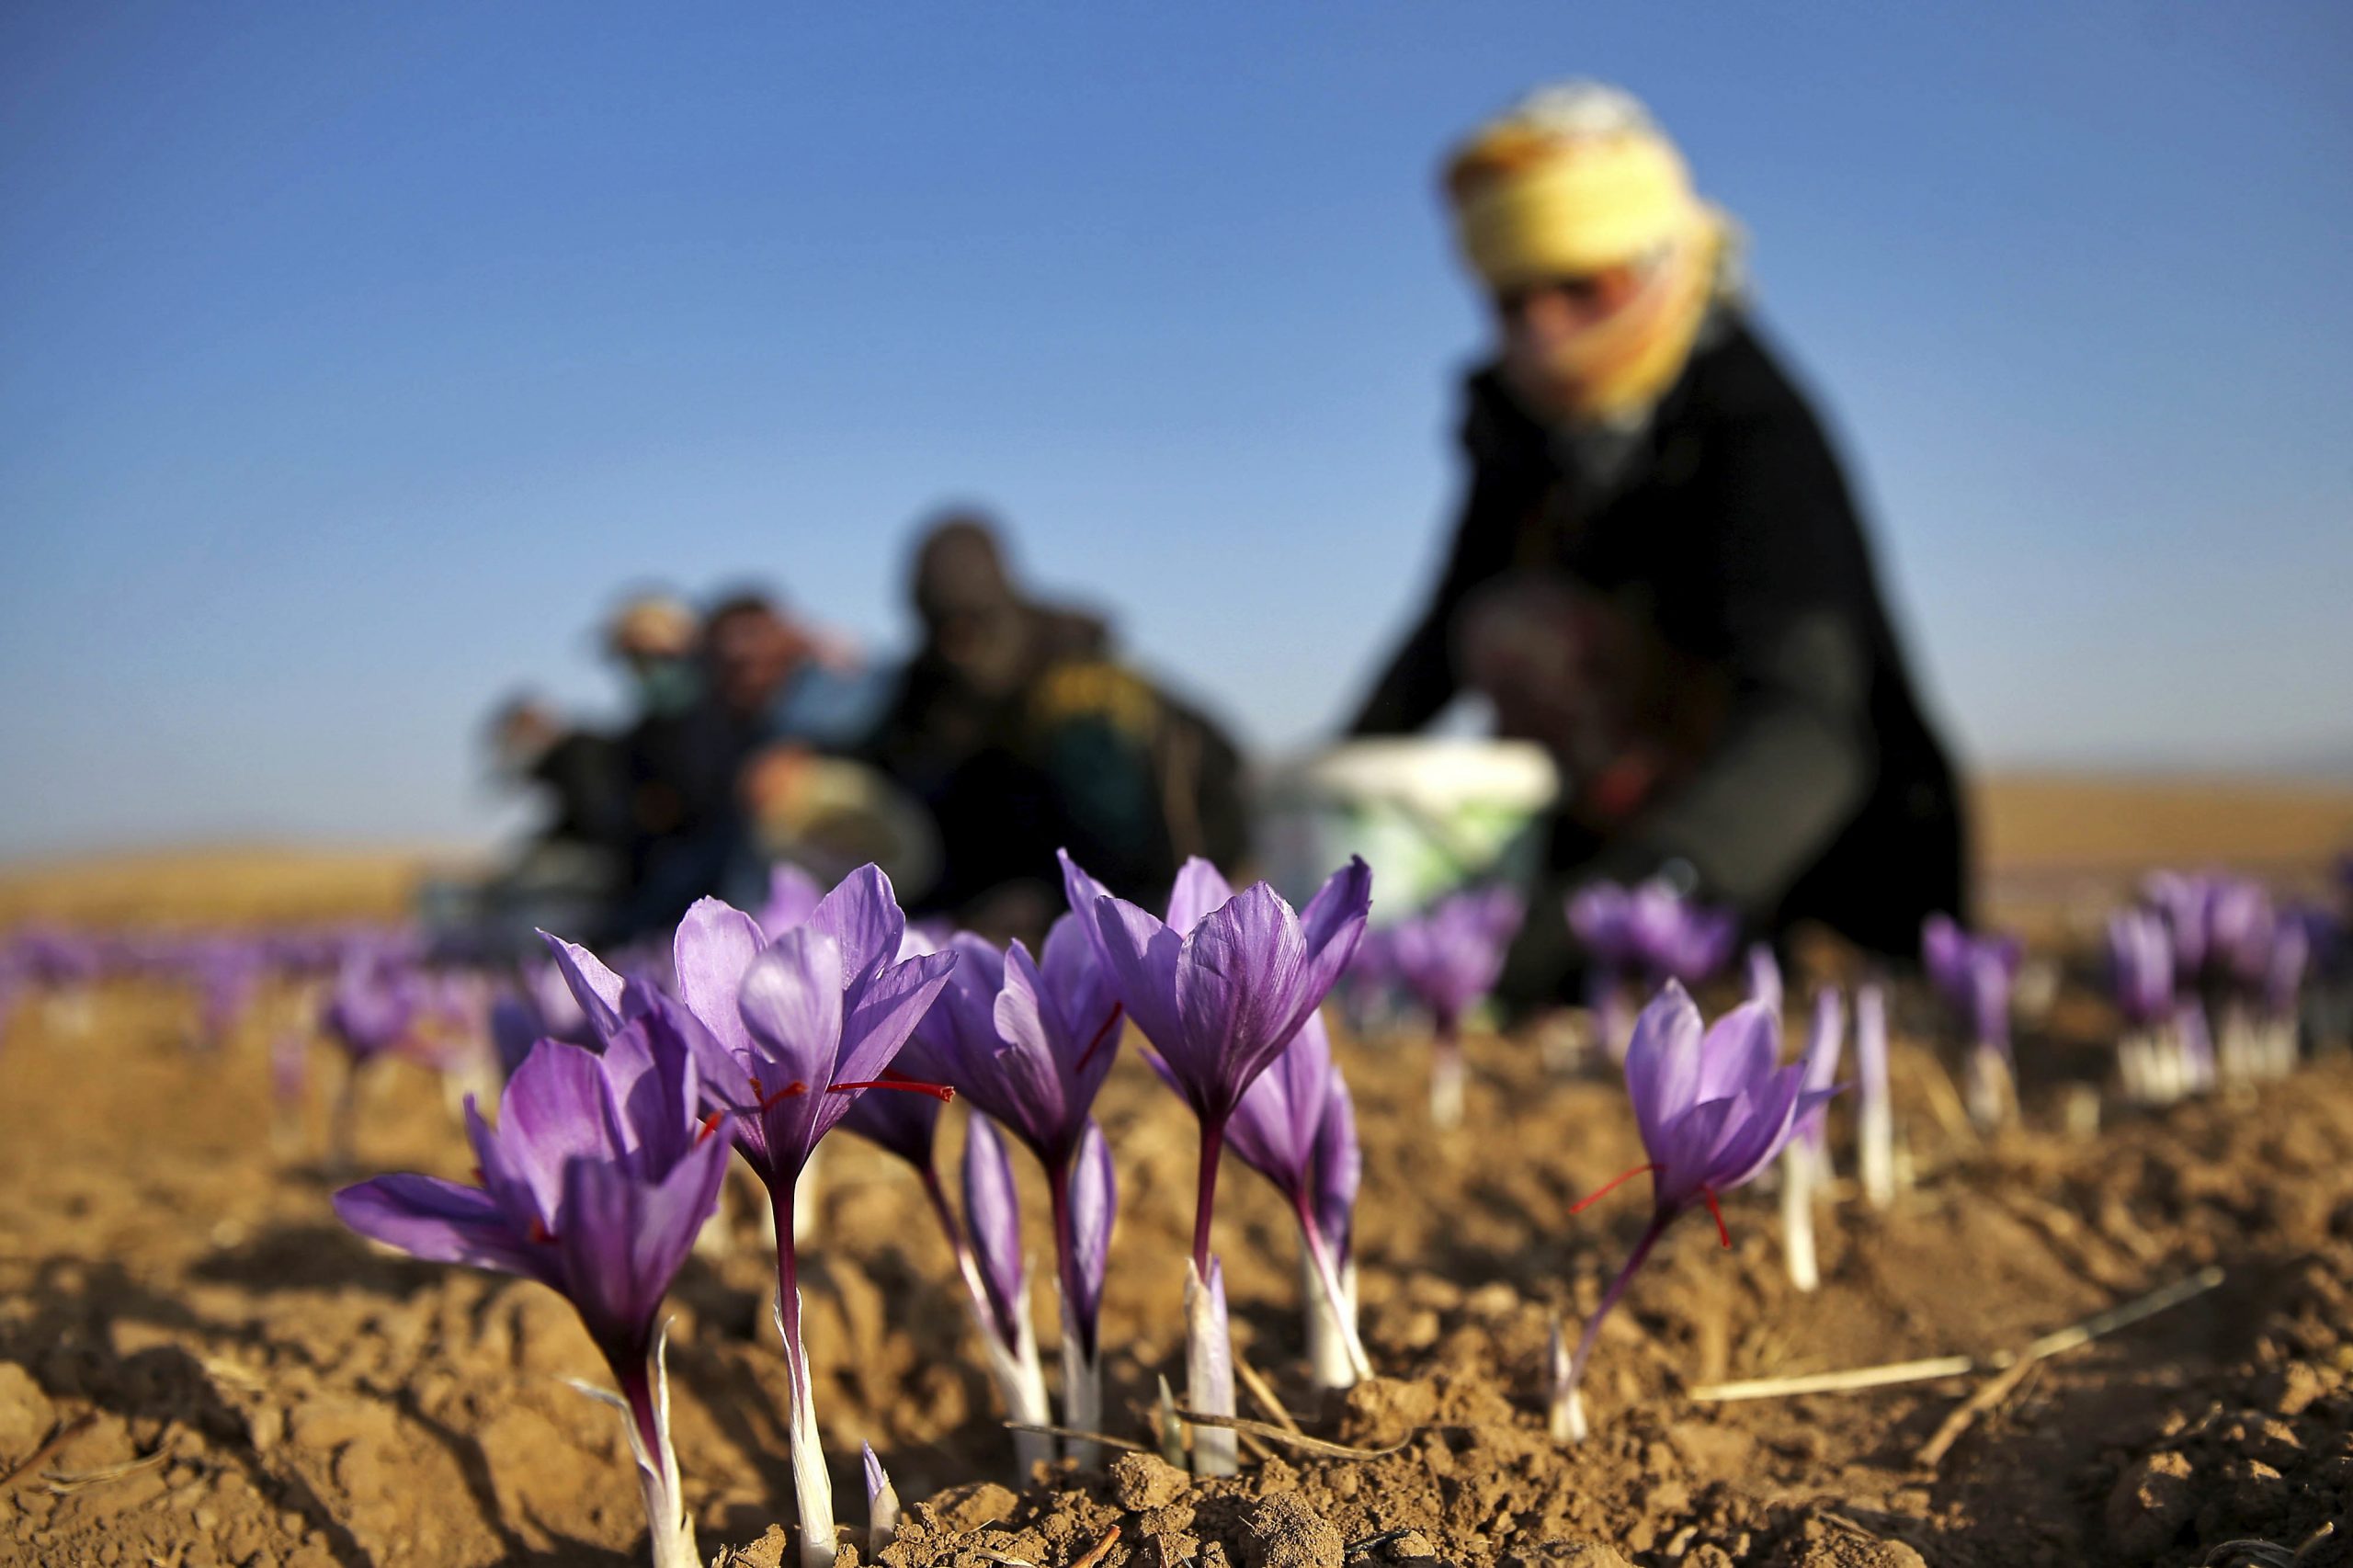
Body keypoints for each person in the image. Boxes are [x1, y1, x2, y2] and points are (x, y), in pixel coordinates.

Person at [1347, 81, 1965, 1000]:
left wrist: (1627, 901)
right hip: (1607, 852)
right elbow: (1441, 631)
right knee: (1501, 622)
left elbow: (1810, 726)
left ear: (1654, 263)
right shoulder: (1522, 434)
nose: (1542, 326)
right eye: (1511, 300)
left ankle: (1685, 942)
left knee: (1531, 634)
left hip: (1802, 863)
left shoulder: (1752, 426)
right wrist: (1331, 796)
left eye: (1579, 286)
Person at [864, 512, 1248, 938]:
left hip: (1132, 913)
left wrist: (1048, 899)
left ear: (1001, 604)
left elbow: (1216, 764)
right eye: (943, 629)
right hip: (972, 913)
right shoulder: (925, 690)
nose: (958, 647)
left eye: (972, 624)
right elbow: (882, 765)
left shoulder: (1081, 673)